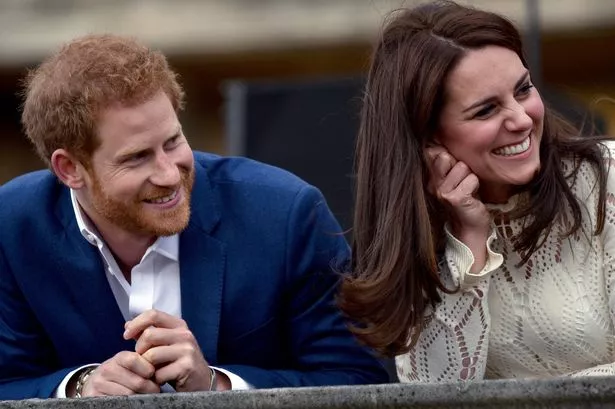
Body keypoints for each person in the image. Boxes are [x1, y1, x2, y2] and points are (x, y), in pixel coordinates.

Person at [0, 34, 388, 400]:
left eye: (173, 142)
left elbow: (358, 382)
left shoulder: (286, 215)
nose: (170, 175)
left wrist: (217, 385)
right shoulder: (12, 226)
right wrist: (78, 387)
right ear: (69, 169)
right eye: (137, 157)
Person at [338, 0, 615, 383]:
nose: (521, 119)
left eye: (523, 90)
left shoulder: (606, 181)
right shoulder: (420, 235)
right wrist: (468, 244)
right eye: (486, 110)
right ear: (428, 138)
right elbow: (433, 397)